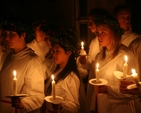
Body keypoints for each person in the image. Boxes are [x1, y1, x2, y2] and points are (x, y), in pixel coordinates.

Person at [90, 15, 139, 113]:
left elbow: (133, 90)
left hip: (120, 107)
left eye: (103, 32)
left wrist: (108, 90)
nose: (99, 36)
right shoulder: (100, 56)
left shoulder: (125, 56)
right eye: (97, 33)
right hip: (102, 105)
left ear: (114, 33)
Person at [0, 18, 45, 113]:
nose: (7, 38)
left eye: (11, 34)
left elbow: (37, 95)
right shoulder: (6, 56)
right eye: (6, 34)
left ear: (23, 35)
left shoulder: (32, 60)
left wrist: (23, 103)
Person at [77, 7, 110, 113]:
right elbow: (92, 64)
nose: (89, 25)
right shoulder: (94, 42)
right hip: (94, 82)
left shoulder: (110, 42)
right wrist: (84, 61)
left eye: (92, 22)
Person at [44, 32, 83, 113]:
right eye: (53, 51)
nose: (54, 55)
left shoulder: (71, 77)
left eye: (57, 51)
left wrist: (60, 105)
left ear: (68, 52)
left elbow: (74, 106)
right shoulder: (56, 72)